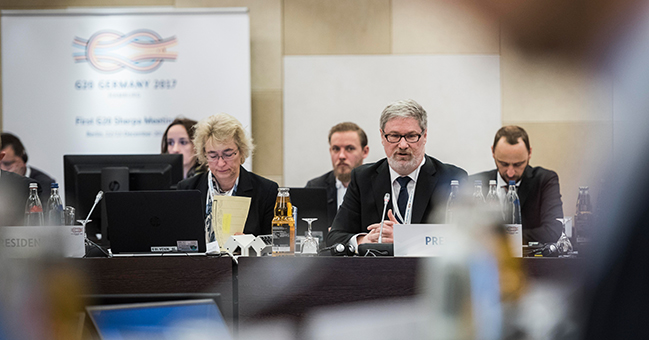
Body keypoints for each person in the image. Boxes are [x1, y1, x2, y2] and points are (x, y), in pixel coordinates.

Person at [327, 99, 468, 250]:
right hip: (375, 271)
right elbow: (335, 237)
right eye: (394, 136)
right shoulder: (363, 178)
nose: (402, 145)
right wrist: (365, 240)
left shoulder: (452, 178)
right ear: (382, 136)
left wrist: (404, 238)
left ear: (425, 135)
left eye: (411, 136)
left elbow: (464, 237)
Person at [177, 113, 278, 236]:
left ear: (241, 151)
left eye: (228, 154)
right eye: (213, 155)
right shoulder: (188, 189)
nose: (220, 163)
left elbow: (273, 245)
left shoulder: (266, 191)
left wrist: (250, 245)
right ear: (204, 155)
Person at [469, 125, 563, 244]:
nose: (510, 172)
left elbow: (553, 231)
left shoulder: (544, 181)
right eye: (503, 164)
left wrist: (501, 242)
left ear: (530, 153)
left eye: (518, 164)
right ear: (493, 152)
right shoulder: (476, 184)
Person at [306, 122, 369, 226]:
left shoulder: (377, 185)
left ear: (365, 151)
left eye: (350, 148)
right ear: (330, 151)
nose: (341, 156)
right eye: (336, 149)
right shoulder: (315, 188)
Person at [0, 132, 55, 201]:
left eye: (8, 164)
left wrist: (16, 180)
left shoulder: (44, 183)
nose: (2, 168)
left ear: (23, 158)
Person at [0, 136, 34, 226]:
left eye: (7, 163)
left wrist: (14, 182)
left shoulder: (30, 186)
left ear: (23, 159)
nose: (3, 168)